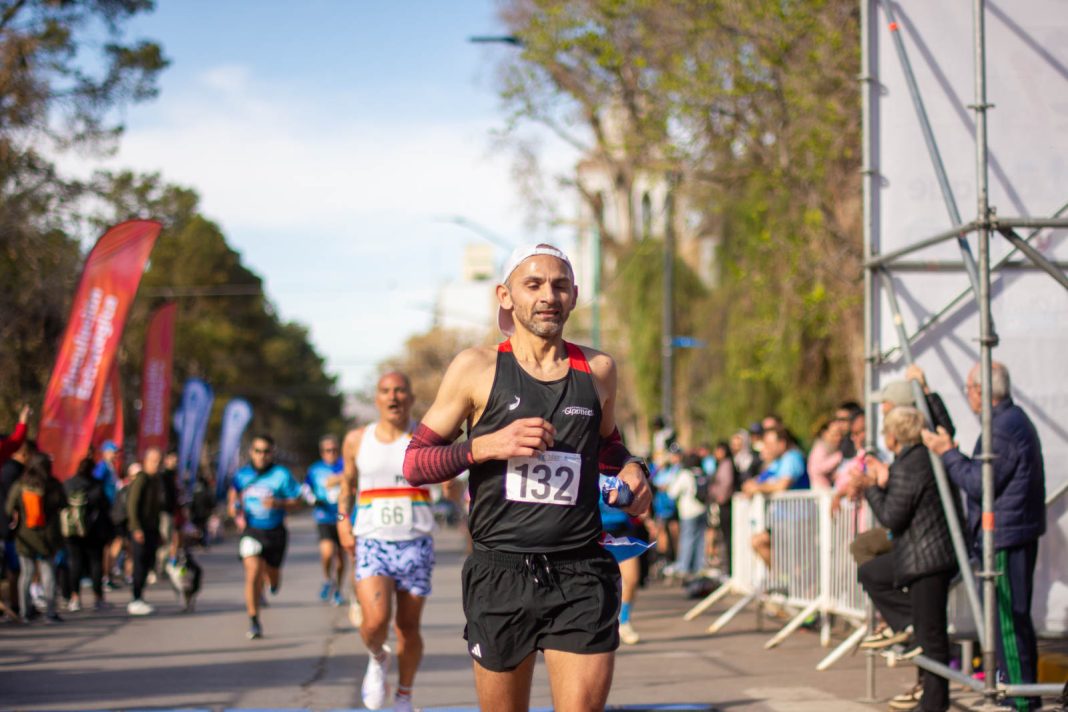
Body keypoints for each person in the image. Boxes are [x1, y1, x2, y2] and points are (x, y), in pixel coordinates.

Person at [401, 243, 651, 711]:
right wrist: (484, 446)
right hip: (501, 572)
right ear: (505, 295)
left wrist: (635, 469)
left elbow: (609, 448)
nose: (547, 296)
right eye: (532, 285)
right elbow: (415, 463)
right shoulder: (476, 368)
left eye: (559, 286)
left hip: (581, 572)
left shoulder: (598, 370)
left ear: (574, 295)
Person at [922, 362, 1045, 711]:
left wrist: (947, 454)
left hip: (1006, 536)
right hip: (1011, 531)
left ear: (981, 390)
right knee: (1011, 622)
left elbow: (979, 483)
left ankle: (1020, 700)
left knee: (1007, 623)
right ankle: (1020, 695)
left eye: (969, 389)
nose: (968, 396)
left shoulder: (1003, 428)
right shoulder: (1009, 421)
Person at [337, 371, 432, 712]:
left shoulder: (425, 436)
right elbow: (347, 487)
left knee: (408, 627)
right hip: (373, 541)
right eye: (385, 391)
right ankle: (378, 657)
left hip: (416, 542)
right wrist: (342, 523)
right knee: (375, 622)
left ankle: (404, 696)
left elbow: (451, 480)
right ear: (376, 399)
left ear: (410, 397)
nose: (393, 397)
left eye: (400, 390)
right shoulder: (357, 440)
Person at [851, 406, 958, 712]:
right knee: (872, 574)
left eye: (886, 432)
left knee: (932, 636)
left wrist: (871, 488)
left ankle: (934, 702)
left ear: (894, 436)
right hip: (922, 554)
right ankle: (909, 624)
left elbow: (892, 517)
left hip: (928, 557)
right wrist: (883, 481)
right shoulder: (911, 460)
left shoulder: (912, 464)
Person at [228, 434, 302, 640]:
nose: (261, 456)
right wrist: (233, 508)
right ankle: (254, 621)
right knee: (252, 572)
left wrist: (278, 504)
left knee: (272, 575)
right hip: (252, 530)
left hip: (276, 531)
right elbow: (233, 494)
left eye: (266, 452)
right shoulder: (242, 475)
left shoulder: (281, 474)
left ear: (272, 453)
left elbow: (298, 501)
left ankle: (272, 581)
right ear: (251, 452)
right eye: (258, 451)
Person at [4, 451, 67, 623]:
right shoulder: (53, 485)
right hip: (49, 537)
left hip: (26, 535)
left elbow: (9, 509)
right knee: (48, 574)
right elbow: (64, 504)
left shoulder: (21, 485)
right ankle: (50, 612)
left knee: (26, 574)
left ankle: (25, 612)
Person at [744, 424, 808, 568]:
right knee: (758, 542)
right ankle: (785, 578)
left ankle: (789, 579)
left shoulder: (793, 458)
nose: (766, 447)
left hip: (798, 519)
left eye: (769, 444)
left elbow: (782, 485)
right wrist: (754, 486)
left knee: (797, 562)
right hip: (783, 519)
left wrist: (758, 488)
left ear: (782, 443)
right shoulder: (779, 461)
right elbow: (757, 482)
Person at [64, 455, 113, 612]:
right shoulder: (96, 485)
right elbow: (106, 505)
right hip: (94, 531)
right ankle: (98, 598)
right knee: (95, 564)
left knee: (75, 563)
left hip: (72, 532)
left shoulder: (68, 484)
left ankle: (75, 598)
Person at [305, 434, 346, 606]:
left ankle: (337, 590)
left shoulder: (345, 465)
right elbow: (306, 489)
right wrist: (312, 499)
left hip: (342, 515)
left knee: (341, 558)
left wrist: (340, 479)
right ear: (322, 452)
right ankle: (327, 579)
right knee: (327, 552)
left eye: (335, 450)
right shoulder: (315, 469)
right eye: (328, 450)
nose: (332, 453)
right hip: (324, 516)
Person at [126, 447, 163, 616]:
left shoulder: (155, 480)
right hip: (140, 529)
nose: (157, 464)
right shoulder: (141, 479)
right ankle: (136, 598)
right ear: (146, 461)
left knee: (149, 562)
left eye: (159, 461)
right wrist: (135, 527)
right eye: (154, 461)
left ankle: (140, 596)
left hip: (152, 528)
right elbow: (132, 505)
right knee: (139, 563)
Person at [1, 435, 34, 616]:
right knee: (16, 569)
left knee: (18, 569)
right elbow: (11, 502)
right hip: (10, 528)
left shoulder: (11, 469)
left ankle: (19, 605)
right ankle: (18, 605)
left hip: (11, 526)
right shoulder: (12, 471)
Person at [667, 452, 708, 579]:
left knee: (687, 539)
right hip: (702, 509)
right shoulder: (702, 473)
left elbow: (672, 493)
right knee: (700, 540)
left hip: (688, 512)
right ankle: (698, 567)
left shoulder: (685, 474)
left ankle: (684, 567)